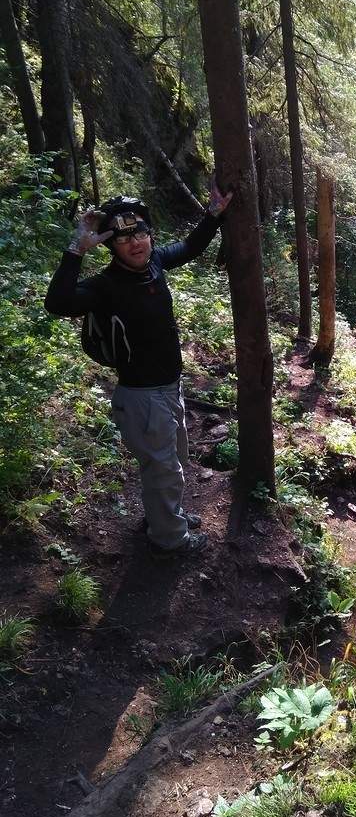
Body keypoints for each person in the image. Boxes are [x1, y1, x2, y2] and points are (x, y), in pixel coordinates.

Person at [44, 182, 232, 557]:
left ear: (149, 234)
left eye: (140, 233)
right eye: (123, 237)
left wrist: (213, 214)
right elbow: (58, 302)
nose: (135, 242)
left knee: (173, 461)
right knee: (163, 469)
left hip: (170, 388)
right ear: (111, 246)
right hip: (142, 396)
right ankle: (169, 539)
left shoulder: (155, 263)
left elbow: (190, 247)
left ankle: (166, 517)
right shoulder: (105, 286)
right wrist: (77, 248)